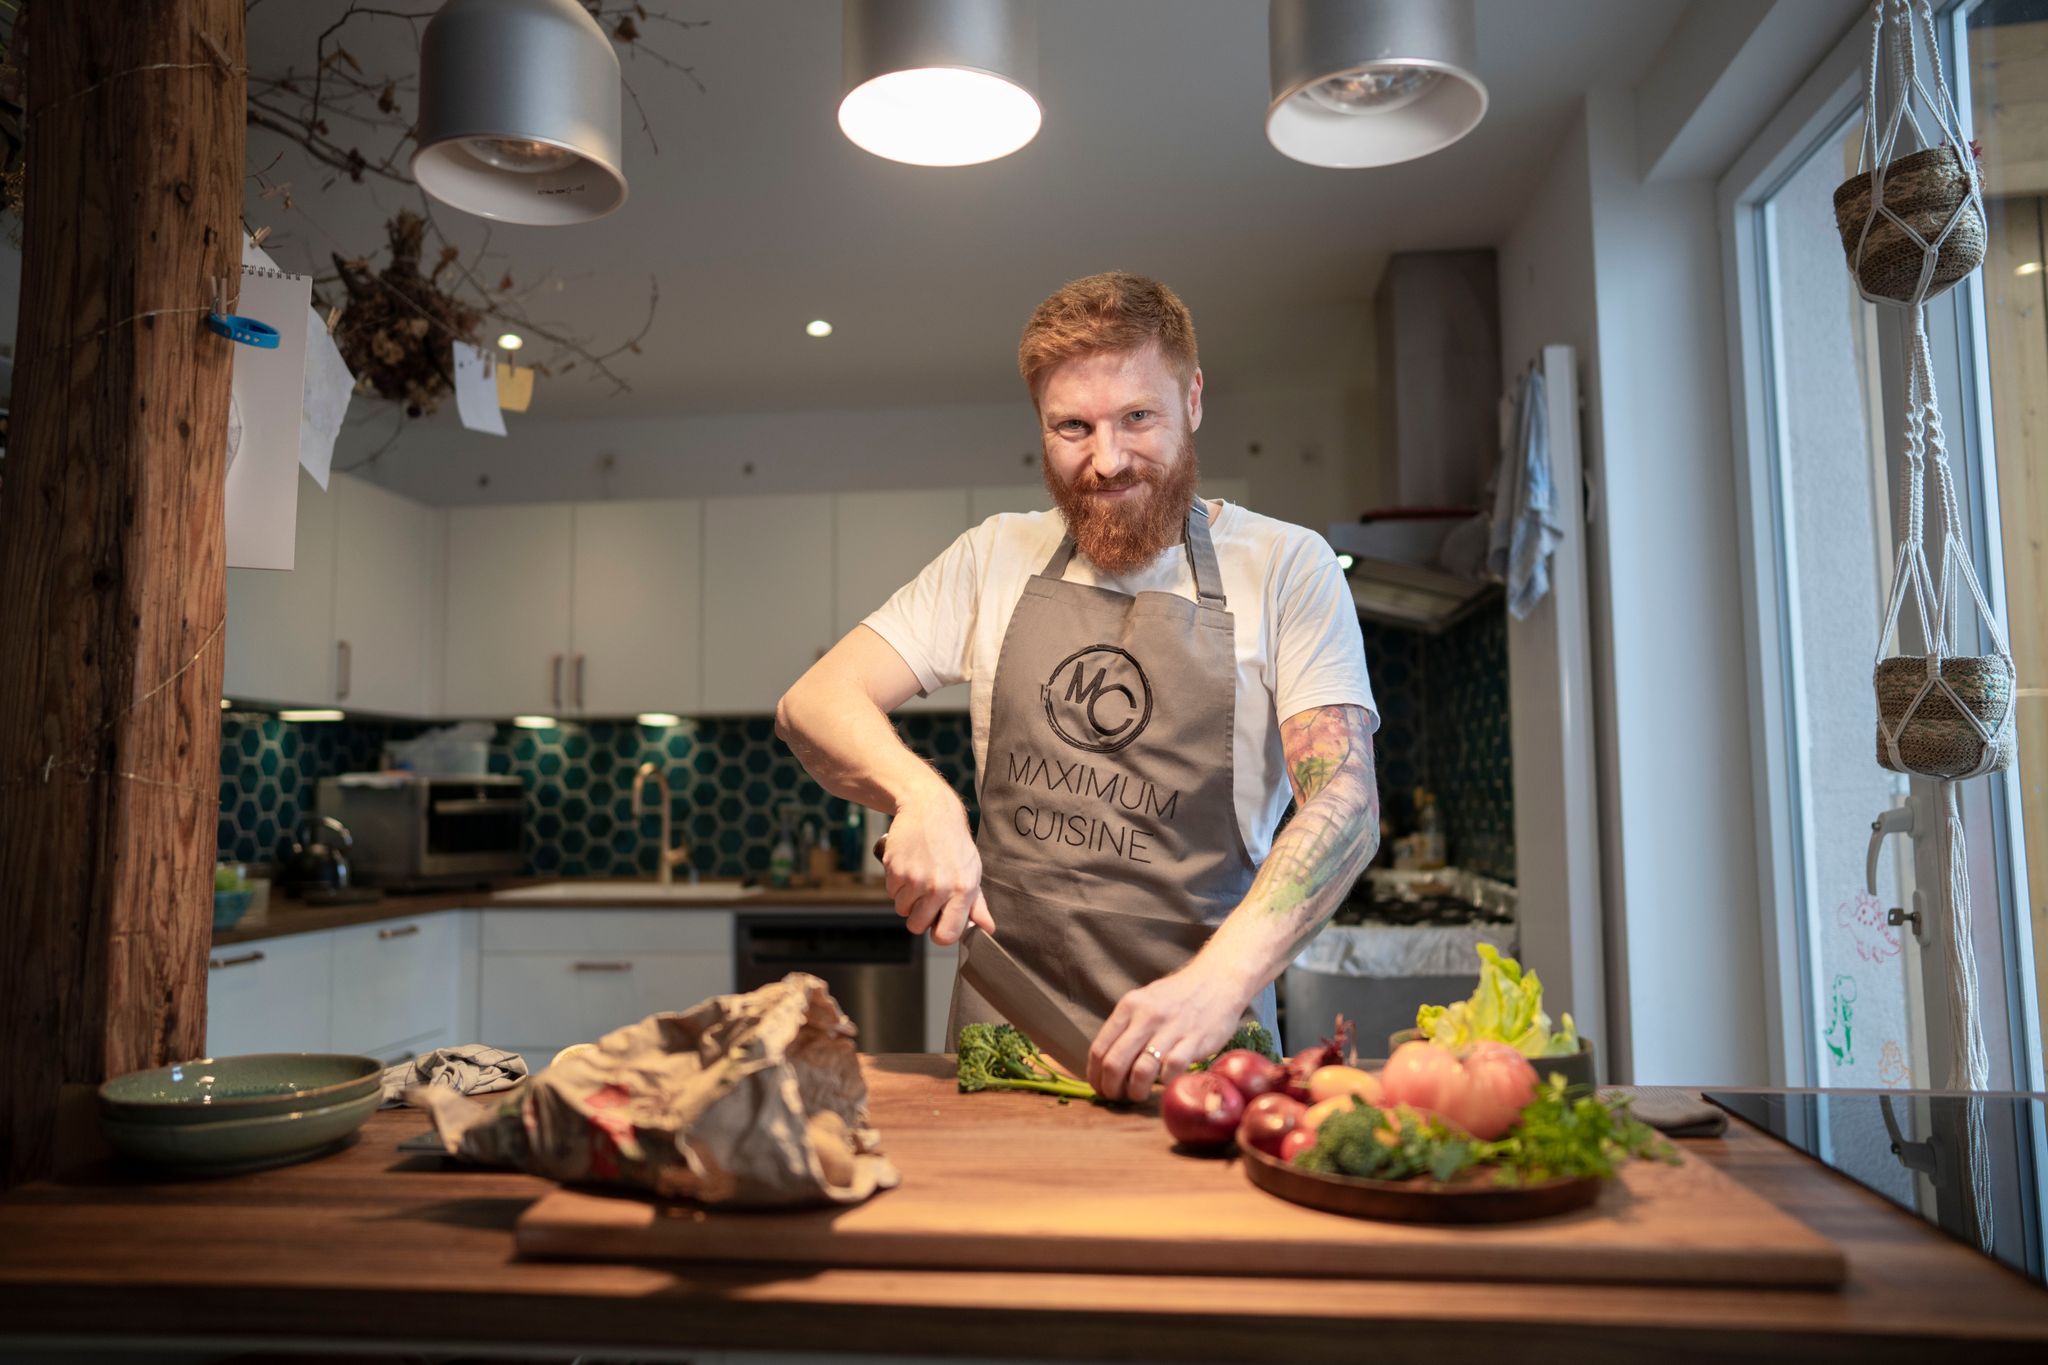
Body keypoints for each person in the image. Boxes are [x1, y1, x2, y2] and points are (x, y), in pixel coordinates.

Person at [776, 272, 1379, 1102]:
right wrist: (922, 797)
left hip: (1204, 1059)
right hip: (1007, 1052)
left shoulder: (1285, 567)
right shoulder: (994, 556)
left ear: (1192, 398)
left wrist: (1219, 983)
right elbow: (814, 701)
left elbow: (1345, 805)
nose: (1107, 459)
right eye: (1072, 426)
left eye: (1138, 416)